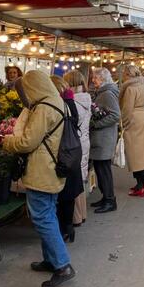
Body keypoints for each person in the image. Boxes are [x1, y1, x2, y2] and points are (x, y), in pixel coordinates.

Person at [2, 70, 75, 287]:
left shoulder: (44, 108)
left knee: (42, 217)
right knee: (48, 214)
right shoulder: (58, 102)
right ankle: (51, 259)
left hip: (42, 169)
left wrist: (7, 142)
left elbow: (27, 142)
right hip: (53, 168)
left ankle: (63, 266)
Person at [50, 75, 83, 243]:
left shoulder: (58, 105)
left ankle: (63, 230)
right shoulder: (70, 102)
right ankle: (69, 228)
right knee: (68, 197)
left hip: (62, 153)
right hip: (72, 152)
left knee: (61, 197)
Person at [89, 67, 120, 213]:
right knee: (101, 169)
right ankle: (105, 197)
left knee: (104, 170)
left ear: (102, 79)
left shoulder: (107, 93)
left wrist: (96, 124)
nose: (93, 80)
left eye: (95, 78)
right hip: (101, 137)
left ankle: (110, 200)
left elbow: (115, 115)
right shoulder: (103, 92)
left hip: (104, 138)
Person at [119, 65, 144, 197]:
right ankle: (142, 182)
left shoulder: (130, 89)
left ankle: (140, 185)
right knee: (143, 152)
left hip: (134, 120)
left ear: (128, 74)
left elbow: (127, 109)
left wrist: (123, 124)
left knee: (135, 154)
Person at [64, 69, 91, 226]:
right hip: (83, 140)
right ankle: (82, 214)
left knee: (73, 180)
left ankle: (76, 217)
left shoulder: (74, 102)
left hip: (74, 143)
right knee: (80, 178)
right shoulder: (86, 98)